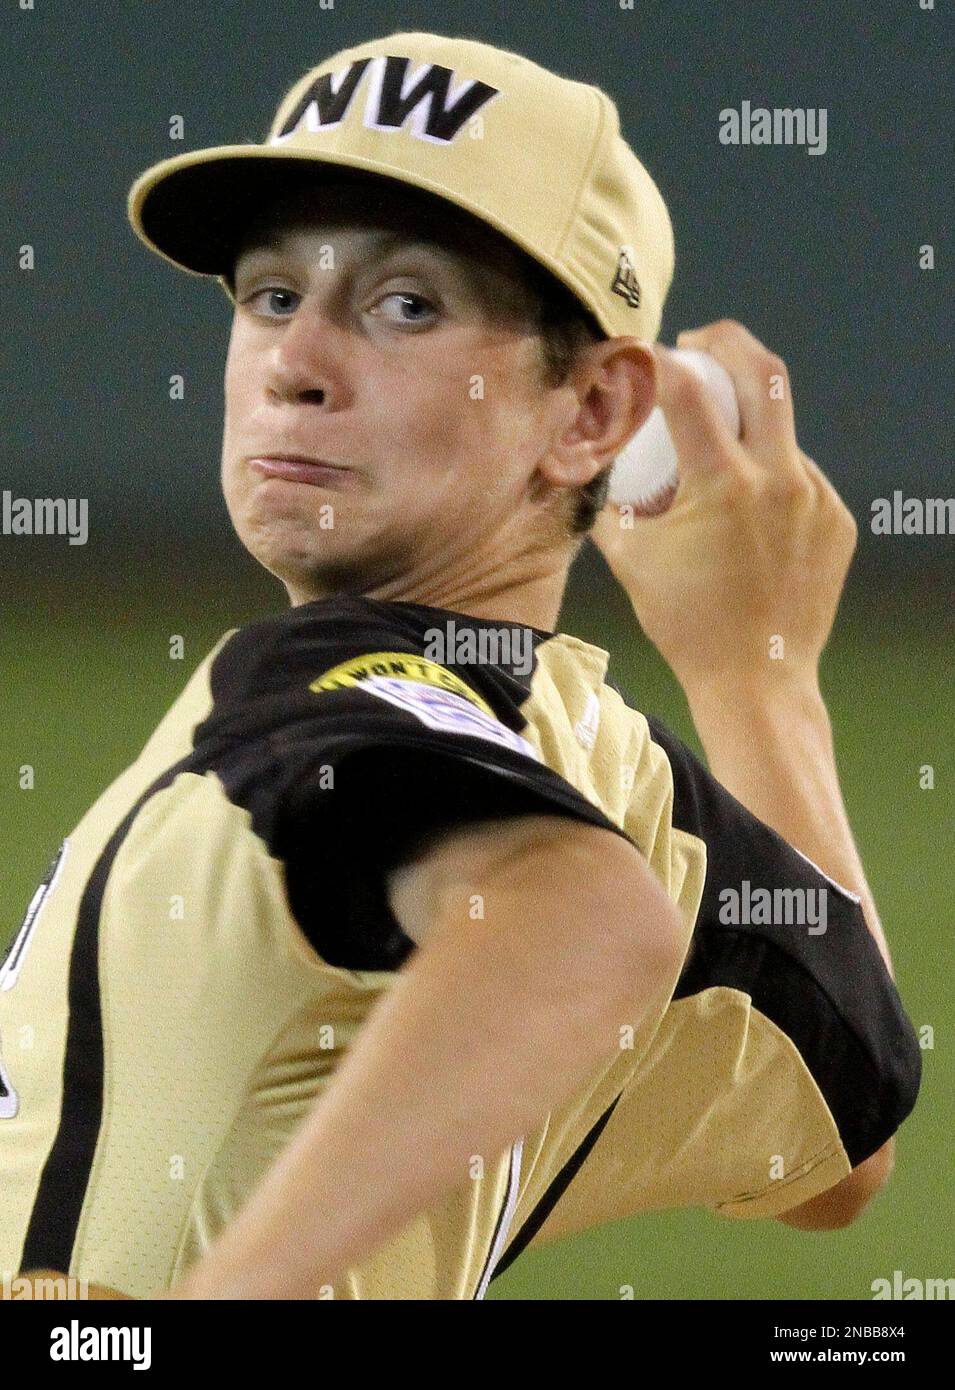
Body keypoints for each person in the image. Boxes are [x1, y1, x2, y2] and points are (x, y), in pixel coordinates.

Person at [0, 31, 920, 1301]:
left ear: (592, 413)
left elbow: (581, 923)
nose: (294, 366)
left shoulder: (317, 680)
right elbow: (837, 1131)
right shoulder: (611, 772)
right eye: (272, 295)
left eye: (404, 306)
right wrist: (755, 674)